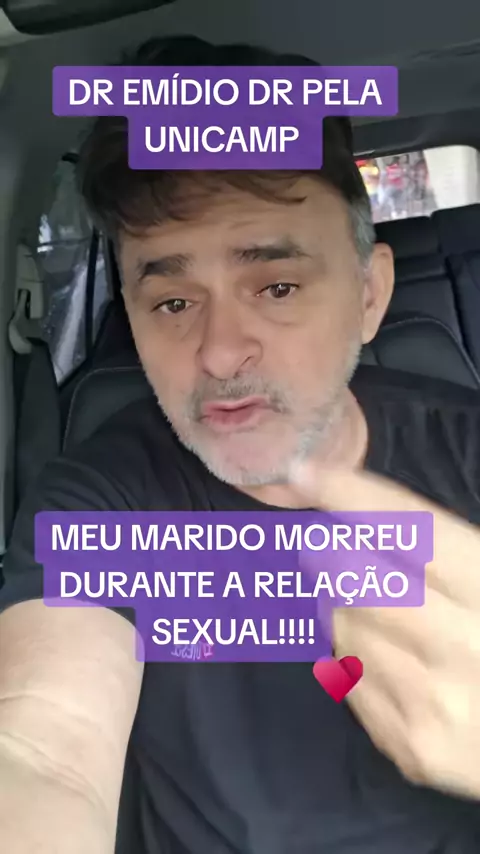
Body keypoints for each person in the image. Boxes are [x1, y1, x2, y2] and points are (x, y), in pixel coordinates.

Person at [1, 34, 480, 854]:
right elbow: (45, 752)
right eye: (173, 302)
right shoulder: (102, 501)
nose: (221, 353)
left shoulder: (469, 452)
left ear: (369, 295)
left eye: (278, 286)